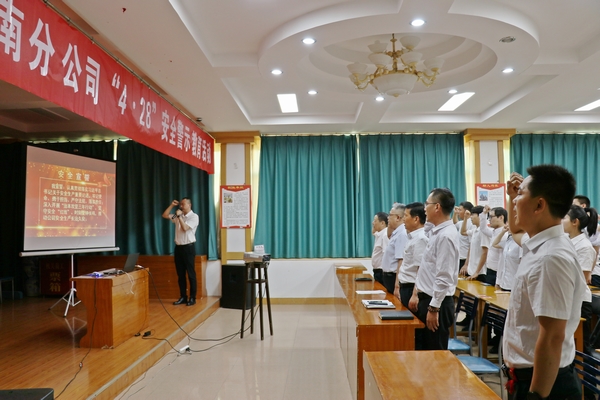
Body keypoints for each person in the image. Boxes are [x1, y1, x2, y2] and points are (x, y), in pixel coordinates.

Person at [503, 165, 585, 400]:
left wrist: (536, 395)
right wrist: (512, 198)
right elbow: (516, 231)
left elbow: (552, 336)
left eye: (521, 194)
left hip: (545, 384)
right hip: (532, 376)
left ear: (539, 205)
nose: (516, 199)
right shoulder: (540, 245)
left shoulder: (551, 258)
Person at [408, 188, 459, 350]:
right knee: (423, 352)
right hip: (428, 300)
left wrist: (433, 308)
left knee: (434, 356)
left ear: (437, 207)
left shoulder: (446, 236)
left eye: (427, 204)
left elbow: (444, 276)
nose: (424, 208)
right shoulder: (436, 231)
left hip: (437, 305)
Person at [162, 197, 199, 306]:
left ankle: (192, 298)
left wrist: (179, 217)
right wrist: (172, 205)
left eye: (183, 204)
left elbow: (185, 228)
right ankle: (183, 296)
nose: (181, 206)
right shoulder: (179, 215)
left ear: (189, 205)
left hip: (189, 247)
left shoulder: (194, 216)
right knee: (180, 274)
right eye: (180, 204)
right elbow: (164, 215)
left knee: (191, 274)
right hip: (178, 248)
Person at [396, 202, 428, 308]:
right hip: (405, 286)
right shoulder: (412, 237)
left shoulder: (421, 238)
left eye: (406, 216)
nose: (403, 219)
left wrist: (415, 294)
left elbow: (421, 269)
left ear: (416, 219)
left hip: (412, 288)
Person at [479, 206, 508, 286]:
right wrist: (484, 213)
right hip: (490, 270)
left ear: (501, 217)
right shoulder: (494, 232)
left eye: (491, 217)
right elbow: (483, 228)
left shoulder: (505, 235)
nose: (489, 219)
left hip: (498, 273)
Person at [459, 206, 489, 282]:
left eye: (473, 215)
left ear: (480, 216)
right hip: (472, 270)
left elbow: (485, 252)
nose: (471, 217)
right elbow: (463, 232)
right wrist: (465, 218)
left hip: (480, 273)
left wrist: (477, 272)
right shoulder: (475, 229)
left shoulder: (483, 231)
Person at [453, 201, 474, 271]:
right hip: (459, 257)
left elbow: (471, 245)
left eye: (460, 210)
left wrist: (466, 264)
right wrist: (455, 213)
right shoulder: (462, 222)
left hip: (466, 259)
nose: (458, 212)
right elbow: (455, 223)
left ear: (466, 211)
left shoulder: (472, 223)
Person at [371, 212, 389, 286]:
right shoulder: (379, 234)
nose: (373, 223)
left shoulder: (385, 235)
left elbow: (386, 255)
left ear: (382, 223)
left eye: (375, 221)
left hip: (381, 272)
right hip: (377, 271)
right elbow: (373, 232)